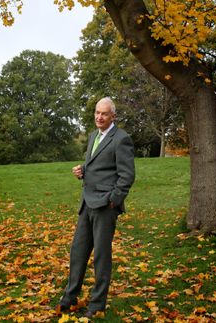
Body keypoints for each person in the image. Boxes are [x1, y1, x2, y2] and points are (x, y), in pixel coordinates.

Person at [58, 97, 135, 318]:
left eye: (104, 114)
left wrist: (113, 200)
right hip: (87, 202)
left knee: (101, 256)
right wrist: (83, 169)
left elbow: (127, 175)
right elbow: (100, 164)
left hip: (105, 207)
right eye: (97, 113)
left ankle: (96, 305)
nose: (99, 117)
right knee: (78, 252)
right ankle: (69, 298)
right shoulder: (93, 136)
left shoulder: (122, 139)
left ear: (113, 116)